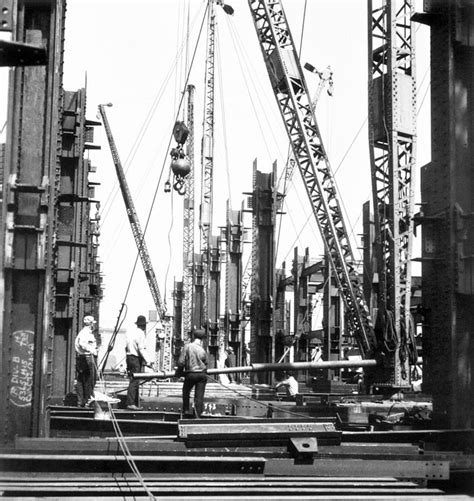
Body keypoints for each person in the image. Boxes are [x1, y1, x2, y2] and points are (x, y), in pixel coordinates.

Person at [125, 315, 154, 410]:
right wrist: (148, 361)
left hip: (129, 357)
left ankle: (134, 401)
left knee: (133, 380)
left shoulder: (130, 332)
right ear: (144, 326)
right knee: (135, 381)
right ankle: (131, 403)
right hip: (135, 358)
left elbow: (126, 347)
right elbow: (141, 349)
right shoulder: (141, 334)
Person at [178, 328, 208, 418]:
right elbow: (206, 363)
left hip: (190, 374)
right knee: (199, 396)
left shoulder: (187, 346)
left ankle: (186, 410)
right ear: (202, 339)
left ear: (193, 336)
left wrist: (179, 372)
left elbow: (181, 362)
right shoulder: (202, 350)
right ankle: (197, 416)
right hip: (201, 374)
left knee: (186, 391)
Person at [75, 315, 98, 407]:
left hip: (83, 357)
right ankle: (88, 400)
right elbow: (82, 343)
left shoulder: (85, 332)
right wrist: (91, 350)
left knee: (81, 379)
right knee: (90, 379)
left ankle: (82, 401)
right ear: (91, 324)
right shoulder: (85, 333)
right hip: (87, 357)